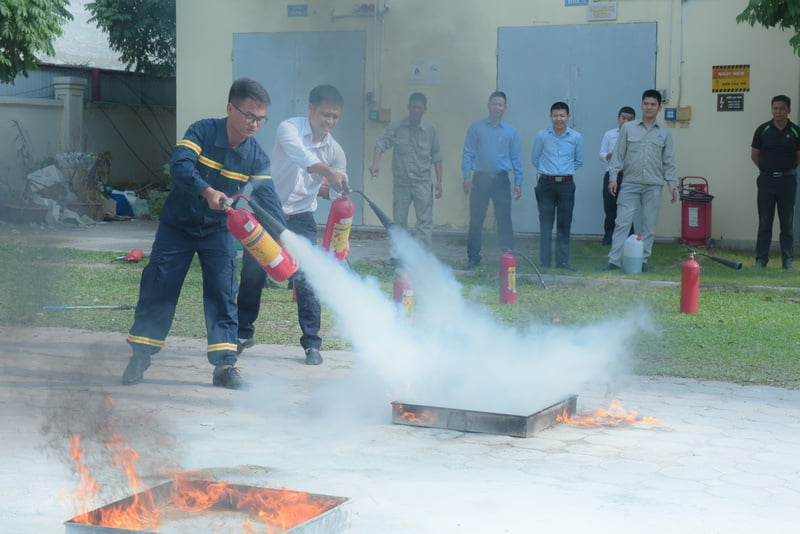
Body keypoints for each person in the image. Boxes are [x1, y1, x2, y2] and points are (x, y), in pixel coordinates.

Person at [122, 78, 282, 389]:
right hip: (178, 226)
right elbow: (180, 167)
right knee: (159, 287)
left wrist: (282, 235)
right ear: (230, 108)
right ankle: (140, 355)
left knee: (223, 293)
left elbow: (268, 198)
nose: (254, 124)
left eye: (261, 118)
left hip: (218, 230)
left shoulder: (256, 156)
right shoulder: (201, 131)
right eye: (249, 115)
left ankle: (225, 366)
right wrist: (207, 191)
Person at [237, 84, 348, 365]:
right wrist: (328, 173)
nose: (329, 121)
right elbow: (304, 159)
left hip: (301, 217)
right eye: (325, 114)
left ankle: (312, 344)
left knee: (306, 278)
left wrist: (335, 190)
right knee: (253, 274)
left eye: (335, 116)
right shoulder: (289, 129)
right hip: (267, 212)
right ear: (310, 109)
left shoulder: (335, 152)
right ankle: (242, 333)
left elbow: (335, 193)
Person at [600, 89, 677, 272]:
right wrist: (613, 178)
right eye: (646, 104)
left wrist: (672, 184)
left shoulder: (664, 133)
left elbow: (669, 161)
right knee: (622, 222)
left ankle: (642, 261)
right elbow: (618, 155)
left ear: (659, 108)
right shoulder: (628, 128)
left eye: (653, 104)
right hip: (630, 183)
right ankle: (614, 261)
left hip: (653, 185)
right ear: (642, 105)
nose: (649, 107)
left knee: (649, 225)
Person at [369, 92, 443, 249]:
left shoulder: (431, 130)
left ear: (424, 109)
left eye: (419, 108)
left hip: (422, 183)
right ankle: (399, 255)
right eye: (413, 107)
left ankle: (423, 255)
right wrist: (376, 163)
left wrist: (439, 182)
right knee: (399, 222)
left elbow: (437, 156)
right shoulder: (397, 126)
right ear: (408, 107)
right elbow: (381, 144)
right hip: (401, 183)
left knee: (424, 222)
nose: (416, 110)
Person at [461, 91, 523, 269]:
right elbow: (468, 153)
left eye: (500, 105)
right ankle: (473, 257)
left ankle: (507, 258)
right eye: (494, 104)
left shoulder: (511, 131)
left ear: (505, 108)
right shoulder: (476, 128)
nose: (497, 107)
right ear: (489, 106)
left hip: (501, 180)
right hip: (480, 179)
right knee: (476, 219)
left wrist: (518, 182)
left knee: (504, 220)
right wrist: (467, 175)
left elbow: (516, 158)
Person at [531, 101, 584, 270]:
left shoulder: (576, 137)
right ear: (550, 116)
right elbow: (535, 158)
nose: (559, 119)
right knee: (545, 224)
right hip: (546, 184)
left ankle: (562, 262)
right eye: (555, 115)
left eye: (562, 115)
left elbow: (579, 160)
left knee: (564, 223)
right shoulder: (542, 136)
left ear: (568, 117)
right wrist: (548, 171)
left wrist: (565, 171)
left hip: (566, 185)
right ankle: (545, 262)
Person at [751, 94, 800, 270]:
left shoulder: (795, 131)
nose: (778, 111)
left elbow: (798, 158)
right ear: (772, 110)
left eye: (782, 108)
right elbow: (754, 155)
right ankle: (761, 260)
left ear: (789, 110)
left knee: (787, 222)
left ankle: (787, 261)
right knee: (765, 222)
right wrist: (768, 170)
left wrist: (784, 170)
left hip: (787, 181)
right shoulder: (762, 130)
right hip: (766, 181)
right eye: (775, 108)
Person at [599, 106, 636, 245]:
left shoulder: (636, 136)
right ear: (618, 118)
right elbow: (601, 155)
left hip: (629, 176)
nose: (625, 122)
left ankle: (630, 239)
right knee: (610, 208)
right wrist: (611, 155)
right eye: (623, 118)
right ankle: (609, 238)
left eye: (629, 119)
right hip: (611, 174)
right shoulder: (609, 134)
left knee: (627, 209)